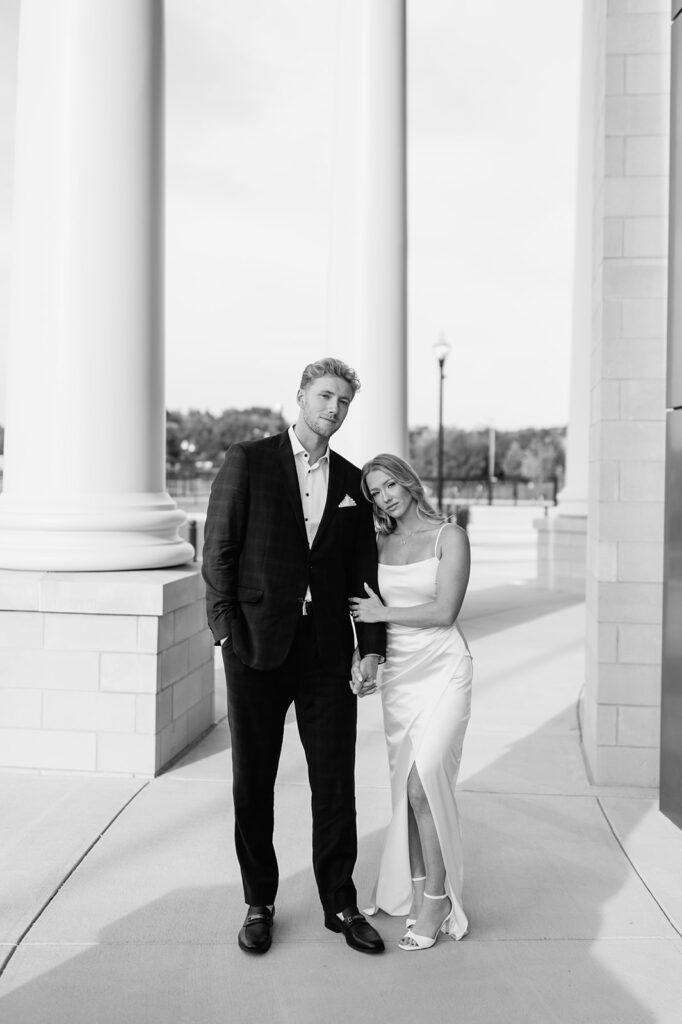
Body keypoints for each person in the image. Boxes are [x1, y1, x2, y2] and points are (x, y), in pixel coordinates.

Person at [202, 357, 387, 956]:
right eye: (326, 396)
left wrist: (371, 651)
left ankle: (340, 900)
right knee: (252, 781)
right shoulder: (248, 461)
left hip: (326, 650)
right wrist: (226, 632)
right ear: (302, 396)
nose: (334, 409)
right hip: (256, 645)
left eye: (344, 403)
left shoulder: (355, 482)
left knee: (334, 780)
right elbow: (219, 553)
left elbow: (363, 574)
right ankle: (259, 900)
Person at [349, 453, 472, 951]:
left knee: (424, 785)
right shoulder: (378, 542)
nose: (385, 498)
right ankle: (420, 894)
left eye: (390, 485)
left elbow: (445, 610)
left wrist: (386, 608)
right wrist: (363, 659)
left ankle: (440, 899)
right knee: (407, 791)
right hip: (398, 676)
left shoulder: (450, 537)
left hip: (444, 669)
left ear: (408, 481)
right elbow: (367, 616)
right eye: (375, 492)